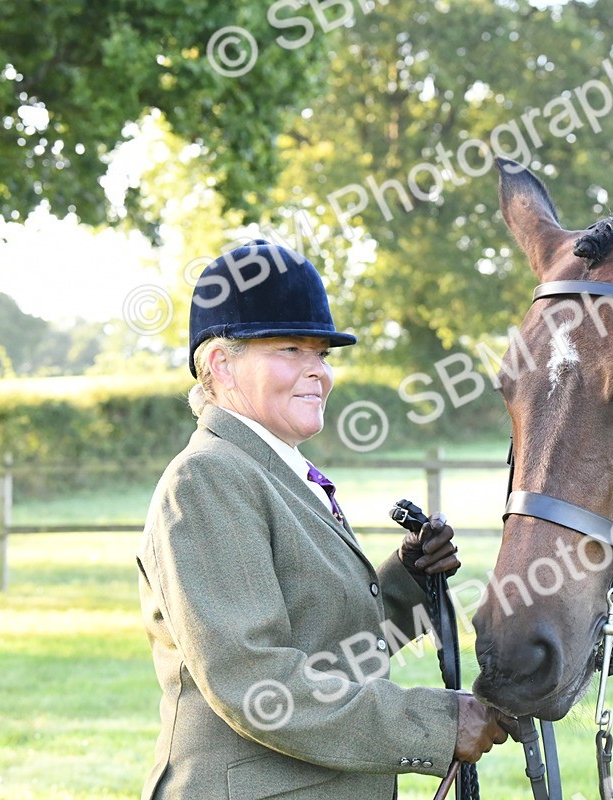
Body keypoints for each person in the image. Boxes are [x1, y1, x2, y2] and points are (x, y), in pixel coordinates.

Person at [136, 240, 508, 799]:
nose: (318, 373)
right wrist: (434, 723)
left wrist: (406, 584)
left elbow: (326, 651)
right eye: (290, 350)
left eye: (323, 356)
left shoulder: (273, 471)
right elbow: (257, 683)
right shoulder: (208, 479)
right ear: (220, 364)